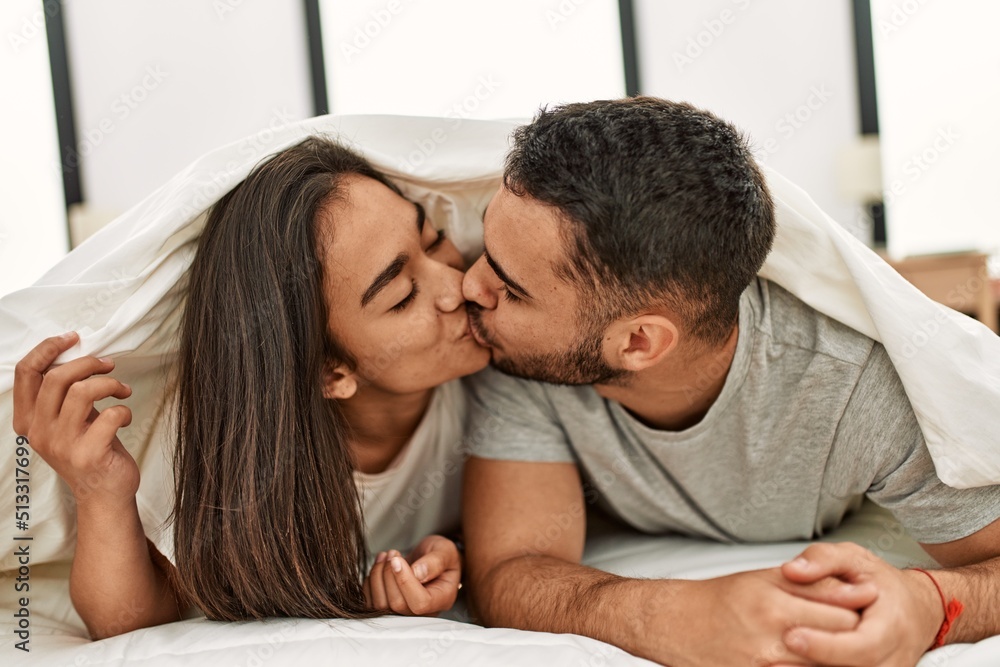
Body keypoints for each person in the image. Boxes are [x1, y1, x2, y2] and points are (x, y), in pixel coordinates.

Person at [459, 97, 1000, 667]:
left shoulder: (854, 387)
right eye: (484, 248)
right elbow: (510, 569)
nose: (468, 287)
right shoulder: (518, 350)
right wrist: (676, 615)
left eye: (510, 289)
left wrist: (932, 603)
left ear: (639, 343)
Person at [12, 136, 489, 638]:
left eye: (433, 238)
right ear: (331, 373)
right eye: (402, 296)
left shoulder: (494, 351)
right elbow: (132, 625)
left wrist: (460, 552)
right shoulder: (243, 457)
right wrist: (99, 491)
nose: (458, 285)